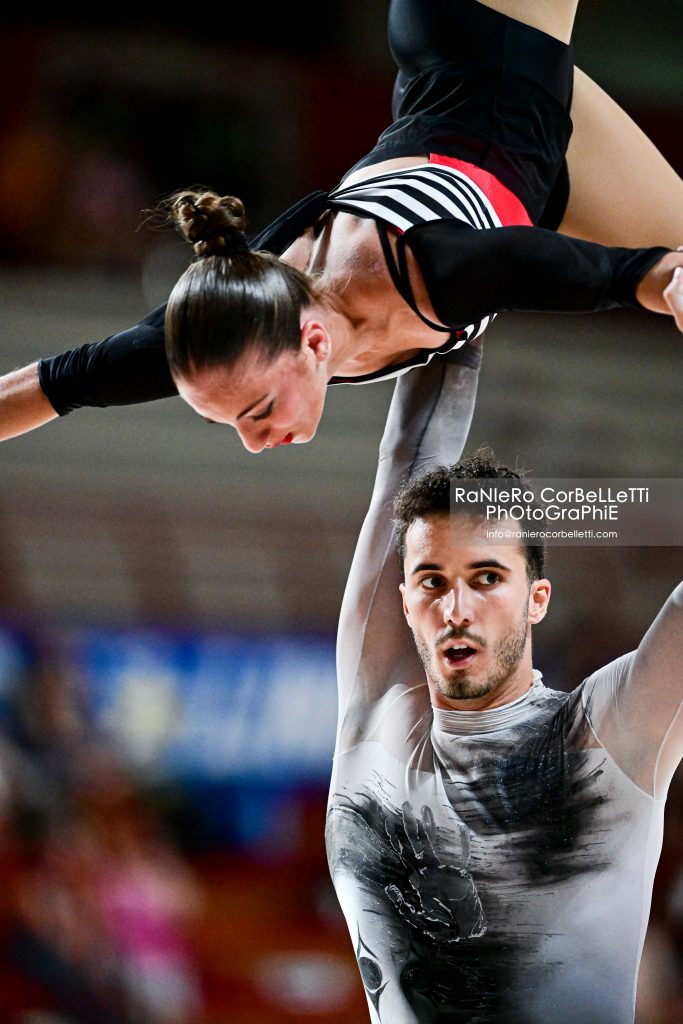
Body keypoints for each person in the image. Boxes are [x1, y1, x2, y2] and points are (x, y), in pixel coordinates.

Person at [1, 0, 683, 449]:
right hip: (528, 141)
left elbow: (622, 277)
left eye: (256, 412)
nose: (254, 443)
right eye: (231, 421)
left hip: (485, 27)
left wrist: (664, 284)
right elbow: (60, 382)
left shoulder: (437, 269)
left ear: (314, 340)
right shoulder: (227, 334)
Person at [327, 346, 683, 1023]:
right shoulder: (376, 718)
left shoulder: (606, 737)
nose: (456, 608)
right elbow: (408, 453)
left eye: (487, 578)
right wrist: (452, 301)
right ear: (405, 603)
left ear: (536, 599)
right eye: (432, 582)